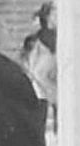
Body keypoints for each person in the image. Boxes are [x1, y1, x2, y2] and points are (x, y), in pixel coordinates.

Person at [20, 1, 57, 132]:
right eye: (53, 13)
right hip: (43, 87)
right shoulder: (37, 40)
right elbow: (35, 68)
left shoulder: (59, 36)